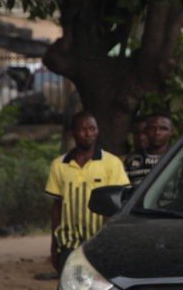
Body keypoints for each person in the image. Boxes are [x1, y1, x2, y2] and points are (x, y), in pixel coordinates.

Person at [44, 111, 129, 274]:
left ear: (97, 131)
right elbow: (57, 207)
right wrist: (54, 245)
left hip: (101, 242)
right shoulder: (59, 165)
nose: (88, 133)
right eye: (83, 129)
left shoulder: (111, 163)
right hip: (69, 242)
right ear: (73, 133)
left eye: (92, 128)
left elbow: (118, 204)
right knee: (71, 284)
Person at [123, 112, 174, 188]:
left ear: (171, 132)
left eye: (163, 129)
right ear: (146, 131)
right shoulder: (130, 160)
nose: (157, 132)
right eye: (152, 128)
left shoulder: (178, 157)